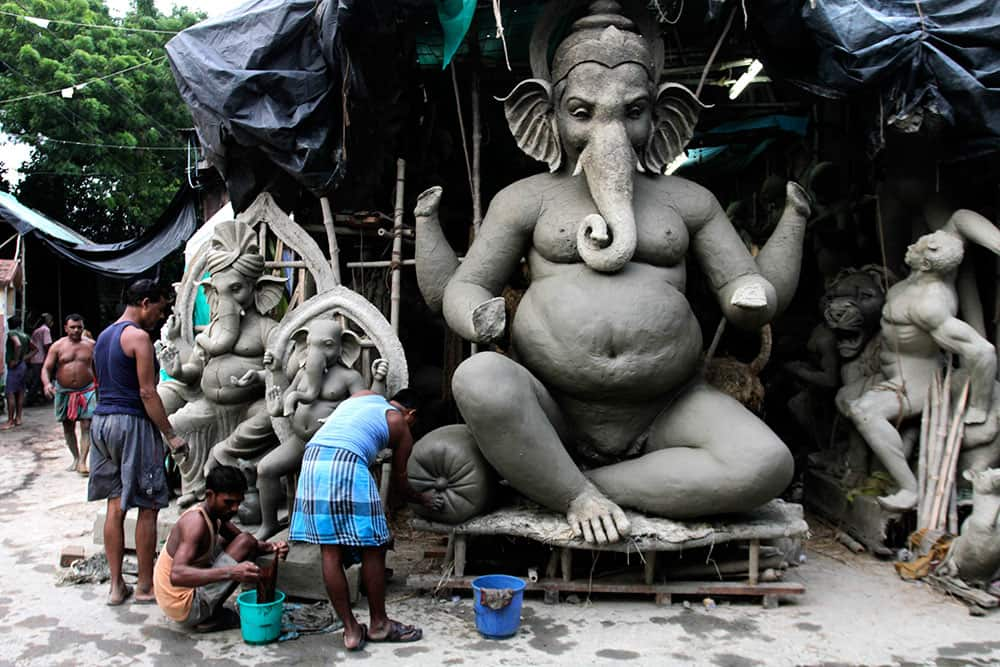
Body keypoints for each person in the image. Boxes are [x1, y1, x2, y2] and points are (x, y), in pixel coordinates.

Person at [838, 231, 997, 511]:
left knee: (865, 412)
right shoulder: (923, 276)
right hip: (892, 373)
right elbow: (957, 220)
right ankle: (870, 461)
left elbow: (983, 351)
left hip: (919, 381)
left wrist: (979, 406)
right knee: (843, 397)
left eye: (918, 247)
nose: (911, 245)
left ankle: (909, 488)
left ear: (925, 264)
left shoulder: (929, 304)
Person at [289, 388, 440, 650]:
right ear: (411, 414)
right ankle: (379, 624)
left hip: (312, 459)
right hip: (347, 462)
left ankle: (350, 631)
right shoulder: (399, 424)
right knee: (373, 545)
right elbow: (400, 487)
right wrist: (424, 499)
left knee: (330, 550)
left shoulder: (363, 395)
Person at [88, 278, 188, 606]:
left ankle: (117, 587)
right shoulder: (139, 338)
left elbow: (100, 381)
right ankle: (145, 586)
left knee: (115, 505)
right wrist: (170, 435)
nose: (160, 317)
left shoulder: (103, 337)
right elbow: (147, 392)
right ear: (145, 303)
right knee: (148, 504)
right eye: (159, 310)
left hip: (102, 422)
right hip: (131, 422)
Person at [153, 465, 289, 631]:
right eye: (229, 502)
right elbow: (177, 575)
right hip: (185, 607)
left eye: (238, 502)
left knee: (244, 542)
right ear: (210, 495)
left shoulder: (216, 514)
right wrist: (232, 572)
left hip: (180, 598)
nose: (234, 508)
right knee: (241, 547)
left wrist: (273, 547)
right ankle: (209, 616)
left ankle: (210, 611)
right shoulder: (196, 523)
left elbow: (247, 542)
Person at [41, 314, 97, 475]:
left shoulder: (91, 345)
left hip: (87, 389)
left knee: (87, 424)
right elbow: (46, 368)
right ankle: (75, 457)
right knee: (68, 425)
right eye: (72, 327)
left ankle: (82, 462)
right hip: (64, 390)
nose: (76, 330)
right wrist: (46, 384)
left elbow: (100, 366)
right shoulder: (57, 346)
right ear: (66, 328)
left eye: (79, 327)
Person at [2, 316, 34, 429]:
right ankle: (18, 418)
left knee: (10, 393)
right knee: (20, 392)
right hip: (23, 366)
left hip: (15, 367)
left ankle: (10, 420)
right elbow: (35, 349)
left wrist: (15, 359)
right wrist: (24, 358)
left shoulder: (12, 333)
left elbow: (17, 344)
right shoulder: (25, 335)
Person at [26, 313, 53, 406]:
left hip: (35, 358)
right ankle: (29, 399)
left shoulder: (37, 330)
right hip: (41, 359)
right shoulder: (45, 330)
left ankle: (39, 397)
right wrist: (50, 356)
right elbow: (47, 344)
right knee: (38, 379)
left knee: (36, 379)